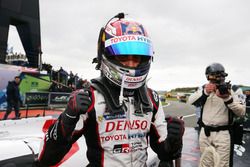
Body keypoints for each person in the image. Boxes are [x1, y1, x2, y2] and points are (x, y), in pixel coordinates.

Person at [37, 13, 184, 167]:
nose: (132, 64)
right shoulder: (91, 98)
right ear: (107, 56)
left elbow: (165, 152)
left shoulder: (151, 98)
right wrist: (68, 117)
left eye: (137, 58)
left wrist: (174, 140)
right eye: (123, 57)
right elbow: (46, 158)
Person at [187, 63, 245, 167]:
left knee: (222, 164)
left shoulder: (234, 89)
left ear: (223, 75)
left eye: (216, 76)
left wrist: (227, 98)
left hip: (223, 134)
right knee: (205, 163)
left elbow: (241, 112)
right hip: (205, 133)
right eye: (210, 76)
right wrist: (205, 92)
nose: (213, 79)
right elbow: (190, 101)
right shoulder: (204, 88)